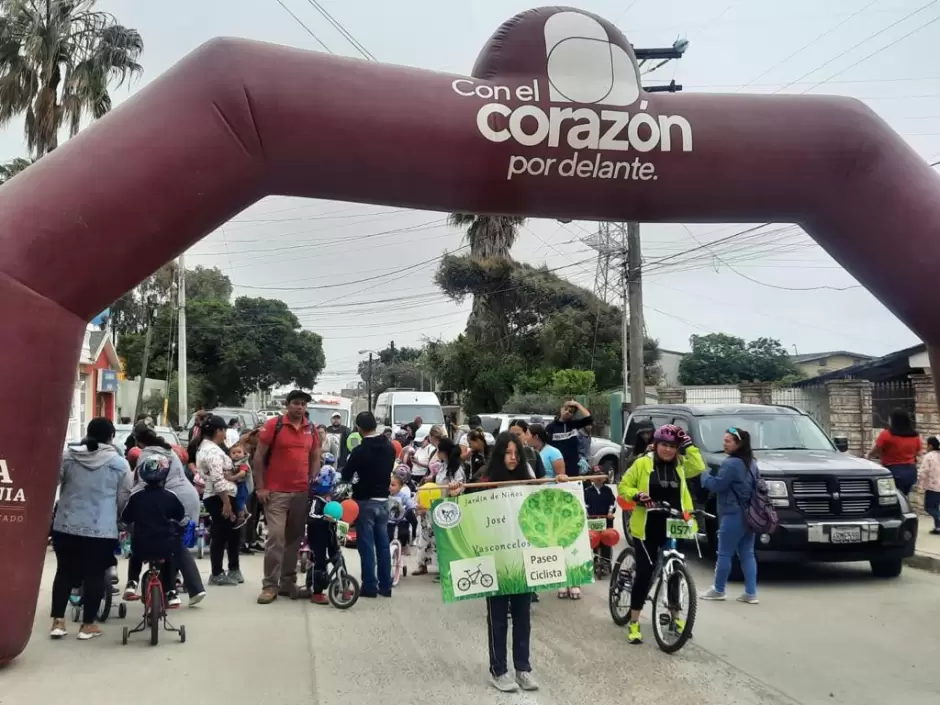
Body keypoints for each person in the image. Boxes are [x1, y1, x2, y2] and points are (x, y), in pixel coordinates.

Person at [449, 432, 540, 693]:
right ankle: (498, 670)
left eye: (516, 453)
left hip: (522, 559)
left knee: (523, 616)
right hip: (494, 560)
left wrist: (560, 484)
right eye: (507, 453)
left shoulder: (529, 478)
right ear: (499, 454)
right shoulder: (485, 480)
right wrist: (455, 492)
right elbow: (462, 506)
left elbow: (545, 500)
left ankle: (523, 668)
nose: (512, 458)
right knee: (498, 617)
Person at [617, 423, 705, 645]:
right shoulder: (642, 464)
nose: (668, 450)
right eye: (664, 445)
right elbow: (623, 487)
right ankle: (635, 621)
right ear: (656, 445)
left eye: (673, 446)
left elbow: (699, 466)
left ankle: (675, 618)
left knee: (674, 571)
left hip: (674, 523)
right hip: (647, 526)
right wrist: (637, 495)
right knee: (645, 574)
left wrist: (689, 445)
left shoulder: (682, 465)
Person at [50, 418, 132, 640]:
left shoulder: (68, 457)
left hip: (65, 526)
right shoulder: (119, 463)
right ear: (111, 437)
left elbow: (51, 483)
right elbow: (124, 498)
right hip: (101, 530)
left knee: (64, 572)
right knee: (95, 574)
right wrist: (121, 520)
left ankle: (58, 622)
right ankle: (88, 625)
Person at [124, 424, 206, 608]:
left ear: (138, 442)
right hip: (186, 497)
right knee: (173, 544)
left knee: (156, 541)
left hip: (169, 499)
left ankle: (156, 586)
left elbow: (140, 484)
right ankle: (182, 588)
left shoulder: (147, 456)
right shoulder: (169, 450)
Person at [253, 389, 320, 604]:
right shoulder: (275, 425)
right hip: (275, 493)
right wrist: (260, 488)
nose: (300, 407)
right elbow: (258, 457)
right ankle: (269, 585)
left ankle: (287, 583)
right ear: (288, 405)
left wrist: (313, 482)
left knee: (294, 540)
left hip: (301, 492)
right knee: (276, 538)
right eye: (296, 403)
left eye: (303, 404)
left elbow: (315, 456)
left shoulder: (312, 429)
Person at [700, 427, 760, 604]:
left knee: (724, 553)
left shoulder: (731, 463)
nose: (723, 444)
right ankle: (751, 593)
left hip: (732, 514)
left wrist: (703, 474)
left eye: (727, 441)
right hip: (750, 514)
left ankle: (719, 590)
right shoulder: (752, 463)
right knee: (747, 554)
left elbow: (717, 485)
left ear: (738, 444)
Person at [341, 411, 395, 598]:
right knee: (383, 545)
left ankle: (370, 586)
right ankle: (386, 586)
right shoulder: (389, 447)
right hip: (384, 501)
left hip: (365, 501)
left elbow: (346, 474)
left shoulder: (360, 451)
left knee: (366, 545)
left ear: (359, 428)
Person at [120, 456, 185, 612]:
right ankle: (171, 592)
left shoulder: (136, 497)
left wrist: (123, 526)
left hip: (142, 543)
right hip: (164, 543)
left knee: (135, 556)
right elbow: (181, 517)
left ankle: (132, 583)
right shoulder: (170, 496)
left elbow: (125, 519)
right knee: (169, 561)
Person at [191, 414, 242, 587]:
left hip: (222, 495)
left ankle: (225, 570)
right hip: (218, 497)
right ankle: (217, 572)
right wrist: (226, 503)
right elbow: (218, 479)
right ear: (218, 431)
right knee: (220, 535)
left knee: (226, 532)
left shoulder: (211, 447)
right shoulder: (211, 451)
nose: (225, 435)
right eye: (224, 431)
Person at [867, 408, 922, 497]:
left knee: (892, 498)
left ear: (894, 420)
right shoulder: (915, 435)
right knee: (904, 496)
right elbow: (918, 453)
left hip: (893, 470)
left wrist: (868, 456)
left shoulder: (886, 434)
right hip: (911, 471)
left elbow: (875, 450)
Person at [306, 466, 339, 605]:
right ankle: (317, 592)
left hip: (330, 537)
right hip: (317, 538)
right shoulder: (316, 501)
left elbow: (338, 514)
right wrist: (324, 518)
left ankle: (343, 583)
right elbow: (311, 516)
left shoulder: (330, 501)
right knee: (319, 564)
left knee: (338, 558)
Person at [545, 400, 593, 477]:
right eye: (566, 409)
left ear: (573, 415)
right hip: (557, 465)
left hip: (572, 466)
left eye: (571, 412)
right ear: (561, 409)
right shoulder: (551, 427)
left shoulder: (574, 424)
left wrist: (577, 405)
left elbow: (589, 418)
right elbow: (546, 446)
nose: (567, 412)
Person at [585, 475, 616, 575]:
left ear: (604, 478)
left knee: (606, 541)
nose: (598, 479)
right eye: (596, 476)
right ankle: (595, 559)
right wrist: (587, 515)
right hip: (593, 520)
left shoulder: (608, 490)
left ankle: (606, 561)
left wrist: (610, 512)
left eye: (600, 476)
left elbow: (613, 503)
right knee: (594, 540)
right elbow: (585, 504)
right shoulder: (588, 491)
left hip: (606, 519)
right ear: (591, 478)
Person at [918, 436, 940, 534]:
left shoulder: (929, 456)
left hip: (932, 487)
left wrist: (920, 482)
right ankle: (938, 528)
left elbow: (923, 471)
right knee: (935, 507)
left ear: (930, 446)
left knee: (929, 507)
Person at [227, 444, 252, 529]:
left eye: (239, 452)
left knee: (239, 501)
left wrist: (232, 478)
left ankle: (241, 518)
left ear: (244, 453)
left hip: (242, 486)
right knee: (241, 500)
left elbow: (242, 473)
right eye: (233, 453)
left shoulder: (243, 462)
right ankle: (246, 513)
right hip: (239, 485)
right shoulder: (234, 463)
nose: (236, 454)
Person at [387, 473, 415, 550]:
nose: (390, 487)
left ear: (400, 487)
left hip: (401, 519)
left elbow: (410, 503)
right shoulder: (386, 495)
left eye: (393, 485)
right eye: (389, 484)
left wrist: (412, 506)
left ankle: (404, 546)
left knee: (403, 533)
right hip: (389, 520)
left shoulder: (403, 496)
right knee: (387, 536)